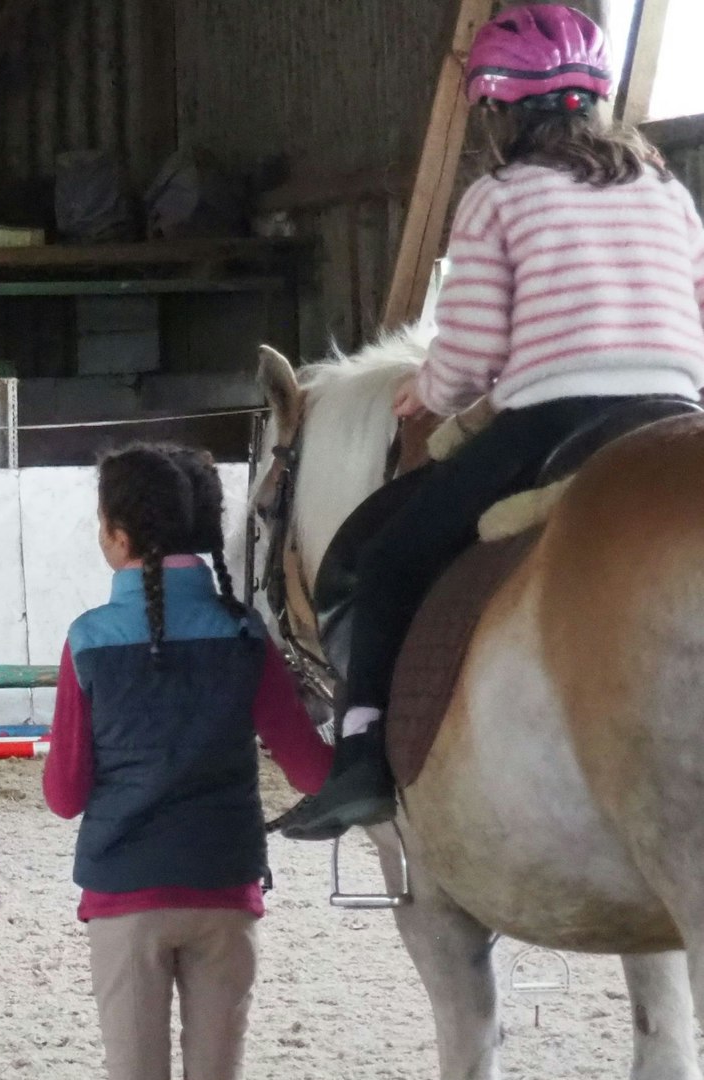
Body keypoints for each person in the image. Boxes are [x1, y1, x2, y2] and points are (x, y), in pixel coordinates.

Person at [275, 4, 704, 840]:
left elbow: (470, 349)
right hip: (675, 411)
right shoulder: (664, 191)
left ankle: (359, 758)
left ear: (501, 110)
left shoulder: (499, 197)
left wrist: (426, 393)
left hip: (557, 414)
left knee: (386, 558)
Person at [46, 445, 333, 1080]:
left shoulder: (88, 639)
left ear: (117, 535)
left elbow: (63, 796)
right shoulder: (244, 633)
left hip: (124, 897)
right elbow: (311, 771)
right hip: (224, 890)